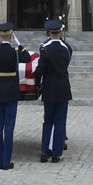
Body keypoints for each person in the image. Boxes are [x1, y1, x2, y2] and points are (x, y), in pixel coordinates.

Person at [36, 19, 72, 163]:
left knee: (48, 120)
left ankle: (45, 151)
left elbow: (40, 69)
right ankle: (56, 153)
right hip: (63, 88)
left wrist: (38, 82)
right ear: (61, 33)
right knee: (60, 121)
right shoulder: (66, 48)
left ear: (49, 33)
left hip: (49, 88)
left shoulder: (45, 48)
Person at [0, 26, 21, 170]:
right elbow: (26, 57)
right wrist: (18, 43)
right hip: (11, 93)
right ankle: (7, 161)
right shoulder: (15, 52)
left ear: (0, 36)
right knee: (9, 128)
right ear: (11, 35)